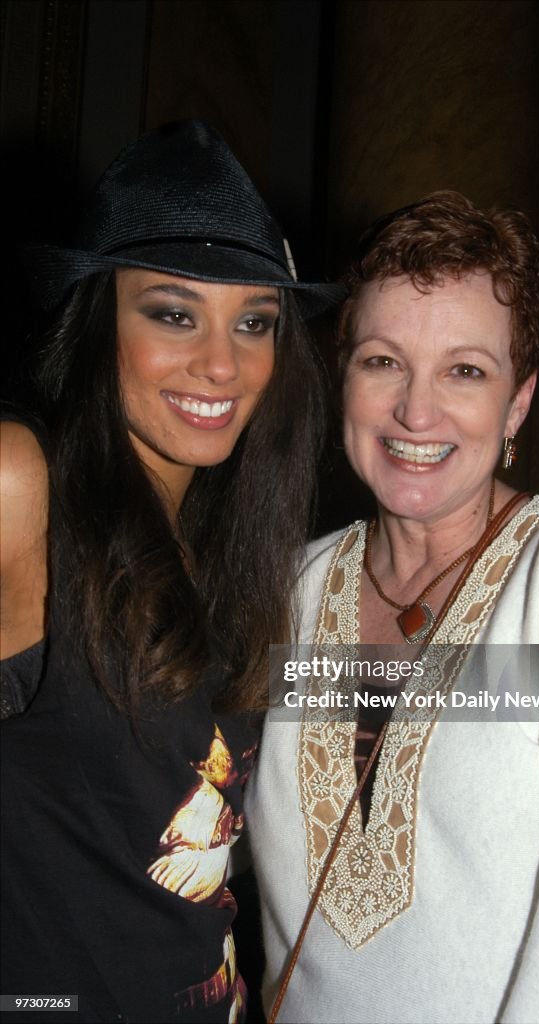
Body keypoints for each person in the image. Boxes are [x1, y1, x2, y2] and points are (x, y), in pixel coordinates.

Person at [246, 191, 539, 1023]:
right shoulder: (286, 596)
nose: (416, 409)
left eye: (465, 371)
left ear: (516, 403)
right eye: (381, 361)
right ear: (343, 378)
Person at [0, 119, 340, 1022]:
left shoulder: (238, 559)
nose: (222, 363)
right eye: (174, 312)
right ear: (96, 315)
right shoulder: (20, 485)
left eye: (255, 321)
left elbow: (397, 693)